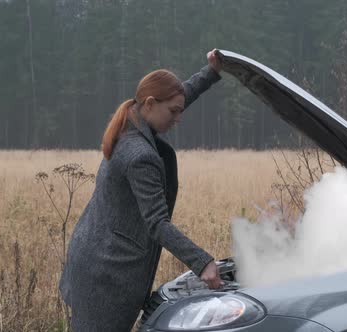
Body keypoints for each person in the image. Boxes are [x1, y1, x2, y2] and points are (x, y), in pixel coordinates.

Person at [59, 49, 223, 331]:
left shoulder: (133, 120)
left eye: (179, 110)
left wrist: (211, 72)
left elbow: (177, 96)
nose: (178, 119)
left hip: (94, 257)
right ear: (150, 103)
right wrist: (203, 263)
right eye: (174, 112)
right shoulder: (139, 155)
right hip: (107, 276)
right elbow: (157, 224)